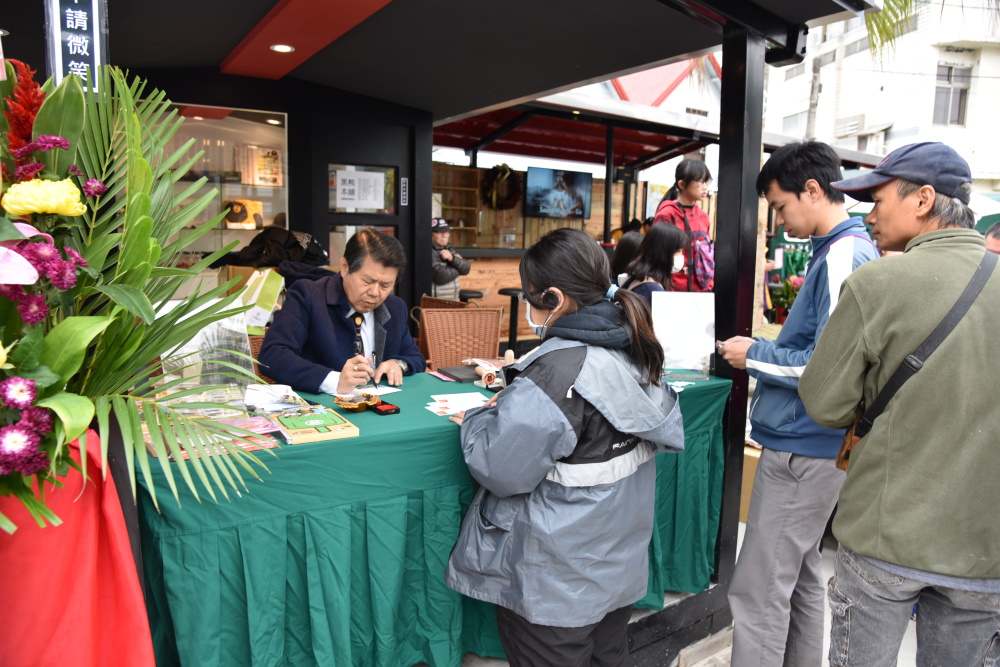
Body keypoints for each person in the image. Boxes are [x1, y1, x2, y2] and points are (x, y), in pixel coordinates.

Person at [444, 228, 684, 667]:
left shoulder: (558, 371)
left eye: (528, 297)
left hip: (555, 582)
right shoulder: (636, 345)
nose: (527, 306)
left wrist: (478, 418)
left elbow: (500, 466)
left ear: (553, 298)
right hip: (617, 568)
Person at [799, 142, 1000, 666]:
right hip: (985, 549)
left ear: (923, 199)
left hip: (885, 535)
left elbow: (824, 403)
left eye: (878, 199)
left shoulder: (876, 283)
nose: (869, 214)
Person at [717, 140, 879, 667]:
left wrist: (753, 354)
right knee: (801, 577)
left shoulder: (842, 254)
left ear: (813, 189)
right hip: (815, 445)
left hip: (804, 445)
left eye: (781, 206)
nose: (780, 220)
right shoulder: (842, 250)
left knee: (759, 590)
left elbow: (829, 368)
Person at [258, 227, 425, 394]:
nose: (375, 292)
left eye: (385, 285)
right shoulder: (308, 296)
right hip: (320, 404)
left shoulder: (394, 307)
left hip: (381, 401)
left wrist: (398, 364)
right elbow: (272, 356)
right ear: (345, 267)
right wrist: (333, 380)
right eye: (367, 281)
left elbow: (415, 357)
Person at [653, 159, 714, 291]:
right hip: (672, 289)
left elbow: (708, 252)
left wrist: (709, 283)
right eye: (700, 182)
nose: (705, 187)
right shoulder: (667, 213)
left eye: (707, 182)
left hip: (701, 289)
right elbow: (657, 255)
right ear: (682, 184)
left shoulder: (703, 216)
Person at [621, 223, 688, 304]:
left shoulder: (643, 280)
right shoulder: (650, 289)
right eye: (678, 251)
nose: (681, 255)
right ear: (664, 253)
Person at [430, 217, 470, 300]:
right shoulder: (429, 251)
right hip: (436, 301)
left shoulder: (449, 248)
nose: (444, 235)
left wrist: (452, 258)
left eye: (446, 232)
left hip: (453, 299)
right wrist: (459, 268)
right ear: (431, 234)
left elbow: (467, 268)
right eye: (440, 232)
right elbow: (440, 276)